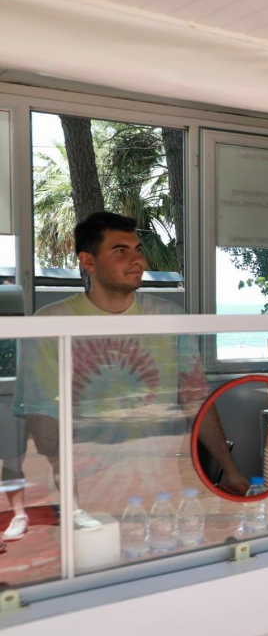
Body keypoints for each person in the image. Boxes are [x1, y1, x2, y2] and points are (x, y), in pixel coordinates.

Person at [3, 212, 248, 542]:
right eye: (120, 250)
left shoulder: (168, 317)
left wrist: (230, 470)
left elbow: (196, 400)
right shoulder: (52, 323)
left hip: (164, 491)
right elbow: (42, 418)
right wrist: (68, 501)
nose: (137, 260)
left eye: (137, 249)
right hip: (89, 501)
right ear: (88, 261)